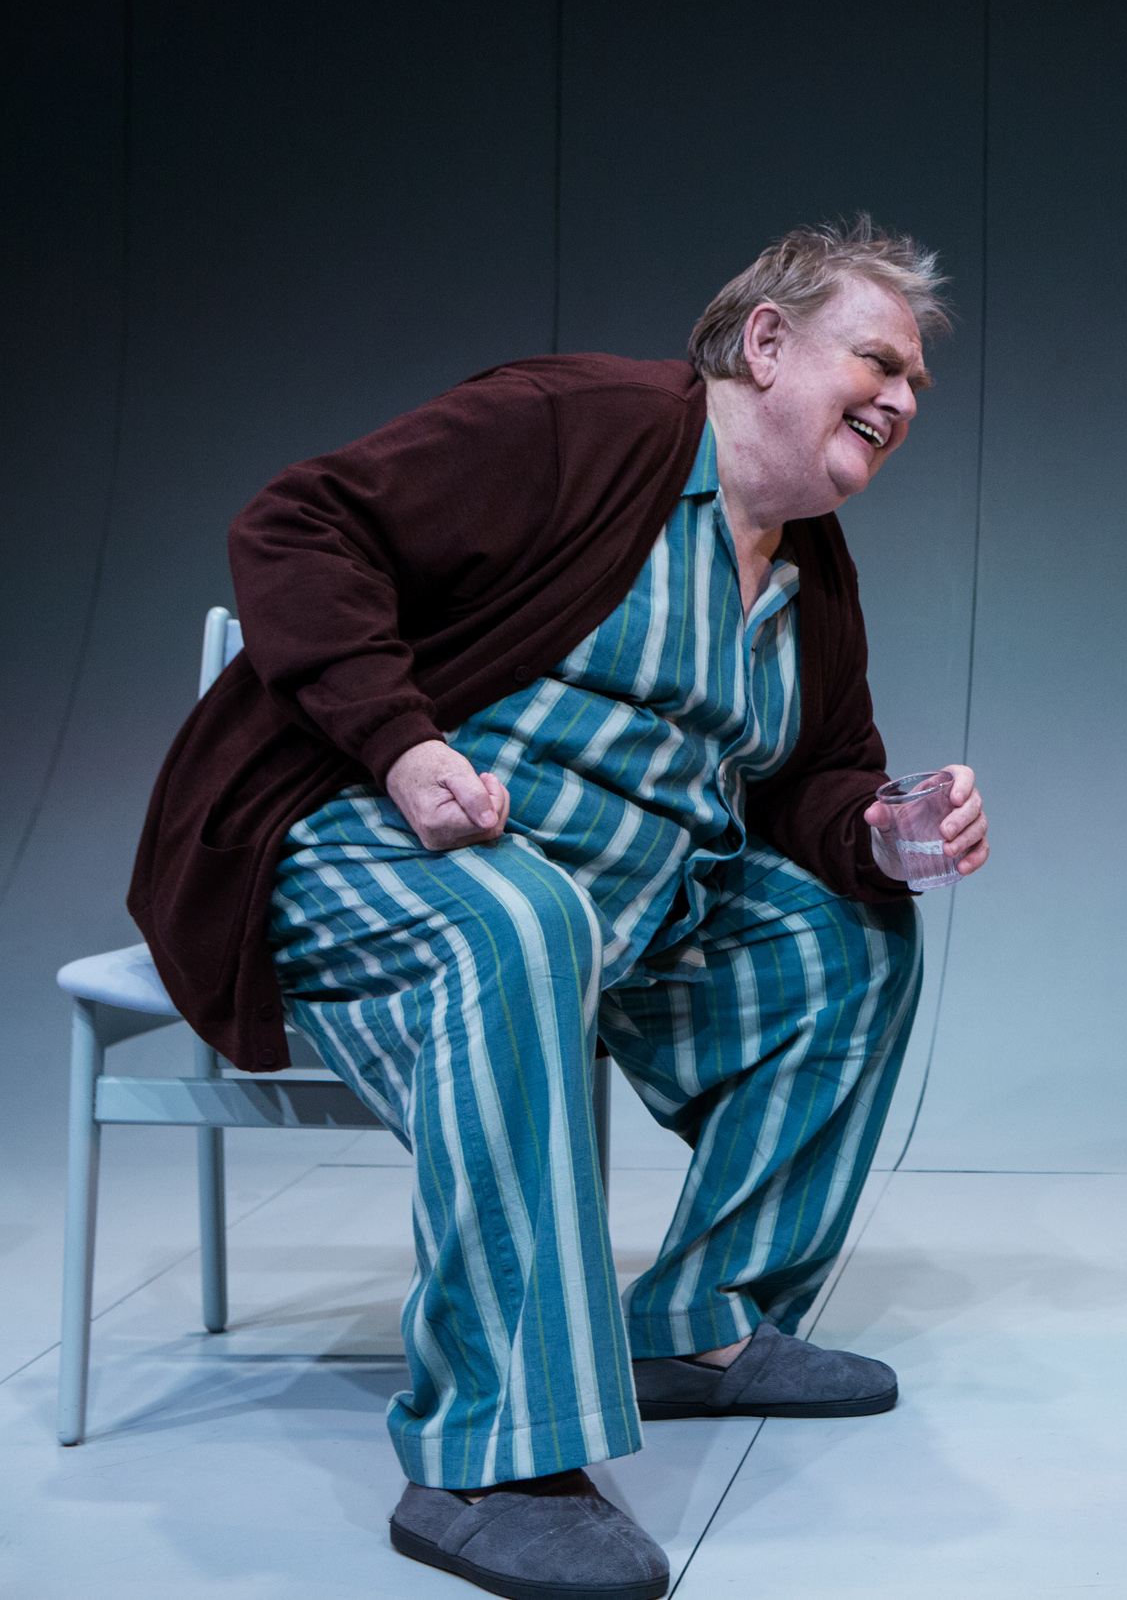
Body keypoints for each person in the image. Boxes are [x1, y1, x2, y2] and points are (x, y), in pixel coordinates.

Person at [129, 220, 989, 1600]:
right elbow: (298, 525)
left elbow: (814, 781)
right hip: (363, 851)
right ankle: (489, 1460)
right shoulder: (581, 427)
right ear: (767, 342)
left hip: (616, 916)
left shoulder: (811, 572)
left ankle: (697, 1323)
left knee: (847, 939)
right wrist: (403, 744)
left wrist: (885, 836)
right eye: (879, 361)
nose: (901, 399)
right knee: (520, 925)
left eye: (916, 387)